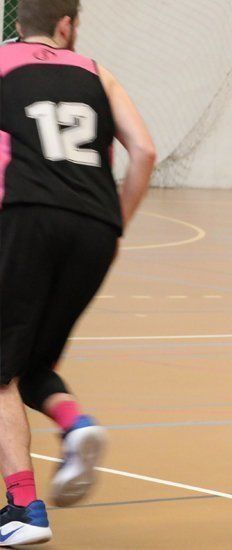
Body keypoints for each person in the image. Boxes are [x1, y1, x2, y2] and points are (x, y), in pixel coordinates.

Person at [0, 0, 155, 544]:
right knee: (33, 362)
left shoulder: (2, 62)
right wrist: (116, 225)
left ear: (19, 23)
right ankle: (77, 426)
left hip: (27, 219)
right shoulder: (97, 72)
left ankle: (23, 508)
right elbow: (144, 152)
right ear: (66, 26)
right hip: (94, 227)